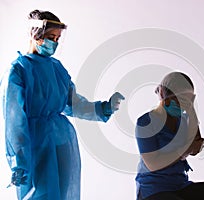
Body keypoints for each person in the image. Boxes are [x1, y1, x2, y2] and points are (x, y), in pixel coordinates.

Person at [0, 10, 125, 200]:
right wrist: (19, 161)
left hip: (62, 141)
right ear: (36, 34)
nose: (55, 43)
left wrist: (103, 107)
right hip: (36, 144)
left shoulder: (56, 68)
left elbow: (73, 103)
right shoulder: (18, 70)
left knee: (64, 192)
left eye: (58, 38)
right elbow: (14, 121)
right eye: (51, 37)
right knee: (39, 194)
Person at [135, 72, 204, 200]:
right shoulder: (145, 122)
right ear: (164, 95)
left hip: (179, 185)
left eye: (187, 100)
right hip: (153, 190)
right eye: (179, 99)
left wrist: (191, 110)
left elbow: (196, 147)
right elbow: (153, 164)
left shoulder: (184, 120)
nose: (182, 105)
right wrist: (184, 151)